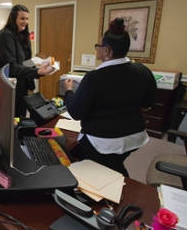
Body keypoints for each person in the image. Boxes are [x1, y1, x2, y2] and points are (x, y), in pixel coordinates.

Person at [63, 18, 157, 177]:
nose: (97, 50)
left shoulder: (94, 77)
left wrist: (69, 91)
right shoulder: (143, 71)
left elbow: (75, 112)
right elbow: (149, 102)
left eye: (98, 46)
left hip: (102, 141)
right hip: (134, 137)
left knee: (85, 158)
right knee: (115, 164)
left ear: (107, 50)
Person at [0, 4, 53, 117]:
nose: (25, 21)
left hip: (22, 86)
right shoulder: (5, 36)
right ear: (13, 18)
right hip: (7, 88)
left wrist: (39, 64)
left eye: (27, 18)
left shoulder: (24, 37)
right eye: (22, 18)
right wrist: (37, 72)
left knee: (21, 117)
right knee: (9, 120)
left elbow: (26, 62)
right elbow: (12, 67)